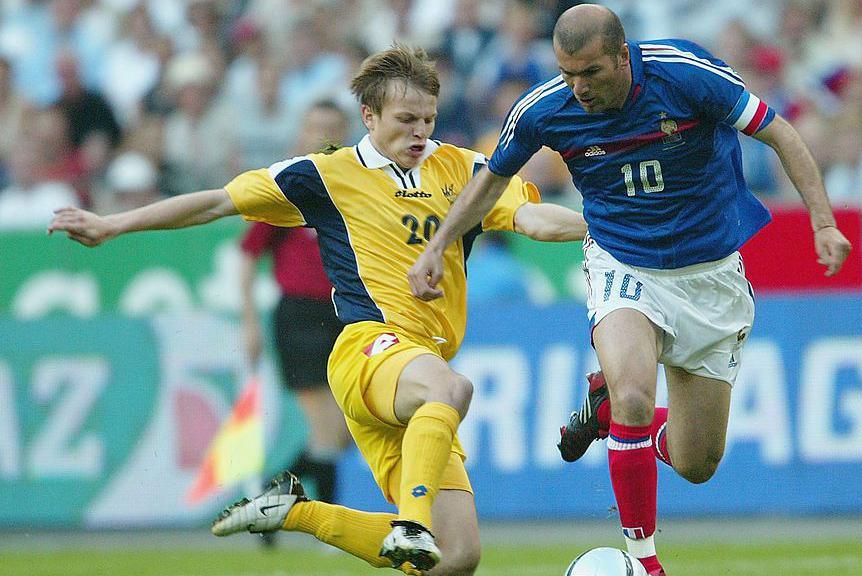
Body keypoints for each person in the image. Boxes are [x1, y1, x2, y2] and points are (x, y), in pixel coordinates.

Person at [50, 45, 585, 575]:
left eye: (428, 119)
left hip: (417, 376)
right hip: (365, 349)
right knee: (452, 389)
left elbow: (535, 220)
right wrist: (113, 224)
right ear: (369, 116)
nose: (419, 132)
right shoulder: (325, 174)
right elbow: (216, 201)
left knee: (459, 555)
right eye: (405, 120)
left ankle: (298, 513)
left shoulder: (469, 170)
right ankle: (411, 523)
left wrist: (606, 230)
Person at [407, 6, 852, 576]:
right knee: (637, 396)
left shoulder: (685, 75)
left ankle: (608, 410)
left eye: (590, 73)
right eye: (568, 74)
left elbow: (780, 132)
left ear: (623, 56)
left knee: (697, 462)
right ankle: (645, 562)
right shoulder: (546, 109)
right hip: (623, 262)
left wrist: (821, 220)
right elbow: (489, 180)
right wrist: (438, 246)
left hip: (709, 273)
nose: (579, 88)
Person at [238, 100, 354, 541]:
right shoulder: (286, 186)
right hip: (299, 314)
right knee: (327, 430)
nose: (322, 136)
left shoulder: (351, 185)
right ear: (301, 133)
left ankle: (268, 501)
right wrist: (248, 321)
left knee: (340, 435)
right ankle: (331, 530)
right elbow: (249, 255)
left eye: (331, 128)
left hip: (343, 313)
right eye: (314, 127)